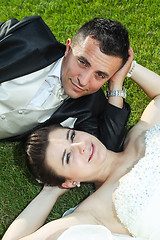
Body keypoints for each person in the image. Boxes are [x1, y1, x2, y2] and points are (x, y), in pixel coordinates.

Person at [2, 47, 160, 240]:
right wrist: (51, 192)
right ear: (69, 181)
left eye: (72, 136)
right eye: (68, 157)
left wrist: (128, 69)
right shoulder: (94, 212)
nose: (81, 146)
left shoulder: (138, 136)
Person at [0, 15, 131, 153]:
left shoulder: (89, 106)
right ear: (68, 48)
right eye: (83, 62)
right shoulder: (26, 37)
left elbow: (107, 151)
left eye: (100, 75)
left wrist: (116, 84)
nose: (84, 80)